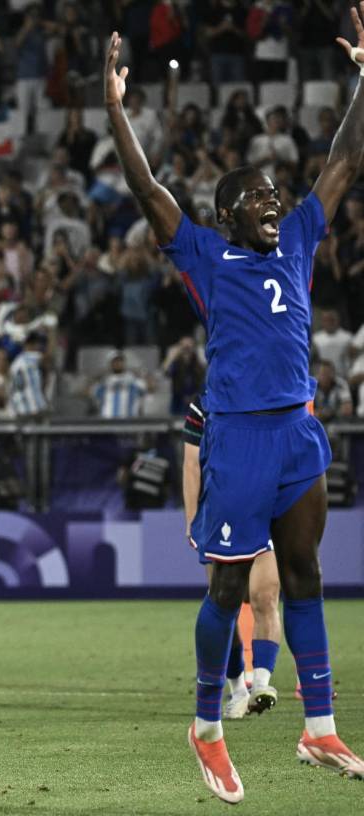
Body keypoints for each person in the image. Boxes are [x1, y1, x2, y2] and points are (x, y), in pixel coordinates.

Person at [105, 16, 364, 802]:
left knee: (306, 575)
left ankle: (318, 728)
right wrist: (115, 107)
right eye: (256, 197)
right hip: (239, 440)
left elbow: (346, 161)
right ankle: (206, 728)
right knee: (227, 590)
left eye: (274, 194)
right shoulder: (204, 255)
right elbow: (148, 187)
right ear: (226, 216)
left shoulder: (297, 239)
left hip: (298, 431)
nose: (273, 201)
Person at [182, 395, 283, 720]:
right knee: (223, 600)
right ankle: (237, 687)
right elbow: (191, 464)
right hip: (218, 512)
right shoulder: (203, 406)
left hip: (263, 509)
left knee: (265, 595)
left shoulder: (270, 398)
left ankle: (261, 685)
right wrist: (192, 519)